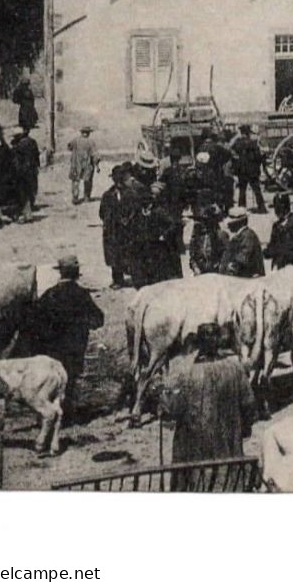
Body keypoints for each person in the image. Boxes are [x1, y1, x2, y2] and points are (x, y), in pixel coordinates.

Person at [160, 323, 257, 470]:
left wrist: (160, 395)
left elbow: (172, 411)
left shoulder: (186, 373)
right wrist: (244, 428)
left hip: (194, 457)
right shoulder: (236, 369)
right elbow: (249, 404)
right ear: (219, 341)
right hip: (228, 454)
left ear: (198, 342)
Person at [25, 255, 105, 423]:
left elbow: (33, 321)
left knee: (50, 382)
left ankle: (46, 415)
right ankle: (65, 415)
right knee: (69, 381)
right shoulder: (81, 294)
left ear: (60, 272)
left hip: (51, 349)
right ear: (77, 273)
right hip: (74, 348)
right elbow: (98, 319)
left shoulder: (49, 295)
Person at [130, 182, 184, 286]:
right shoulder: (139, 212)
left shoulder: (160, 211)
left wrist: (163, 235)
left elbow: (174, 224)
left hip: (160, 246)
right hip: (146, 246)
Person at [99, 164, 137, 287]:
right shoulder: (107, 195)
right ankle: (117, 280)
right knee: (114, 254)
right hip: (113, 230)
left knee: (129, 252)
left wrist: (128, 219)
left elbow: (135, 210)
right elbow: (102, 213)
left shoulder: (130, 194)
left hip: (127, 229)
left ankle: (134, 277)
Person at [265, 194, 293, 274]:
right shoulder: (276, 226)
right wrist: (267, 252)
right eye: (276, 208)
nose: (276, 211)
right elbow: (272, 245)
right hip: (279, 266)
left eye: (279, 208)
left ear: (286, 207)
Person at [218, 208, 265, 278]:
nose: (228, 226)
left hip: (250, 279)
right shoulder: (238, 236)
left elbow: (243, 258)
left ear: (239, 223)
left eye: (231, 223)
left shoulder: (248, 236)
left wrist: (231, 268)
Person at [230, 124, 266, 214]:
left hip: (242, 170)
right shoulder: (253, 143)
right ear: (248, 133)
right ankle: (262, 208)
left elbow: (231, 153)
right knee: (256, 190)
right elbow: (258, 157)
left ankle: (242, 208)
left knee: (242, 190)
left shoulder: (237, 143)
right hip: (252, 170)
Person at [188, 206, 227, 276]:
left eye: (206, 221)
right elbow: (192, 256)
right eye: (201, 221)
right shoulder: (196, 237)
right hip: (200, 273)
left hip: (216, 273)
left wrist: (220, 268)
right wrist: (195, 268)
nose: (203, 224)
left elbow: (226, 255)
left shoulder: (220, 235)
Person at [10, 130, 41, 214]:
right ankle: (31, 203)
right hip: (32, 167)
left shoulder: (19, 146)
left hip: (23, 169)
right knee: (33, 185)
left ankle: (26, 205)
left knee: (24, 186)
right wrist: (38, 165)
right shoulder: (33, 141)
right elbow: (37, 154)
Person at [68, 125, 98, 204]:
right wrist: (97, 165)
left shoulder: (75, 140)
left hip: (76, 164)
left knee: (75, 181)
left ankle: (75, 197)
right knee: (88, 181)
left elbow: (69, 147)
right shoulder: (91, 142)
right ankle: (86, 197)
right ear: (88, 133)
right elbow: (95, 154)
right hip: (87, 164)